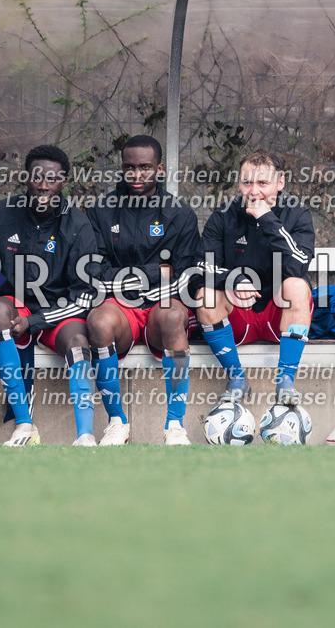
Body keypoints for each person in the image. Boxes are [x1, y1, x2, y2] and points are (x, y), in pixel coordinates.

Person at [0, 145, 99, 446]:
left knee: (79, 343)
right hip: (16, 309)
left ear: (64, 182)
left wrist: (39, 320)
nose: (43, 185)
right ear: (25, 178)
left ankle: (85, 436)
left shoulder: (78, 223)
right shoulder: (3, 213)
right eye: (37, 177)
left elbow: (84, 297)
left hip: (59, 314)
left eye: (52, 179)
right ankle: (24, 425)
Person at [85, 135, 200, 445]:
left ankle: (175, 424)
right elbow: (94, 270)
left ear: (159, 169)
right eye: (129, 167)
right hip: (119, 305)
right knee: (98, 321)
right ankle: (116, 422)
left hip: (161, 305)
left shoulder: (179, 214)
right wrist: (154, 274)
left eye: (145, 167)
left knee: (174, 316)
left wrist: (136, 277)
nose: (136, 175)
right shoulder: (101, 212)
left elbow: (186, 272)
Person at [194, 150, 315, 407]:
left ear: (280, 183)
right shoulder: (224, 215)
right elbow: (202, 267)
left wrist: (267, 219)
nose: (253, 191)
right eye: (247, 182)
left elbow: (299, 264)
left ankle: (285, 382)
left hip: (278, 319)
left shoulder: (297, 215)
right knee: (205, 296)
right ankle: (237, 379)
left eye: (263, 183)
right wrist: (234, 280)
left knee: (296, 286)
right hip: (239, 318)